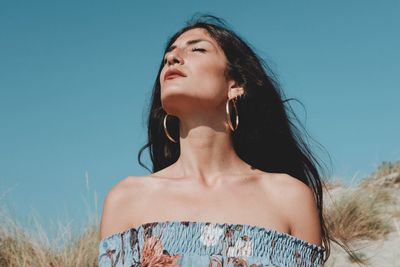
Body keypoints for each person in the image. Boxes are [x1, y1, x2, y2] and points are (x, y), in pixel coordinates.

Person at [98, 14, 333, 266]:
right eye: (169, 54)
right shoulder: (126, 199)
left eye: (197, 49)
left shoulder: (289, 197)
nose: (171, 58)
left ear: (236, 85)